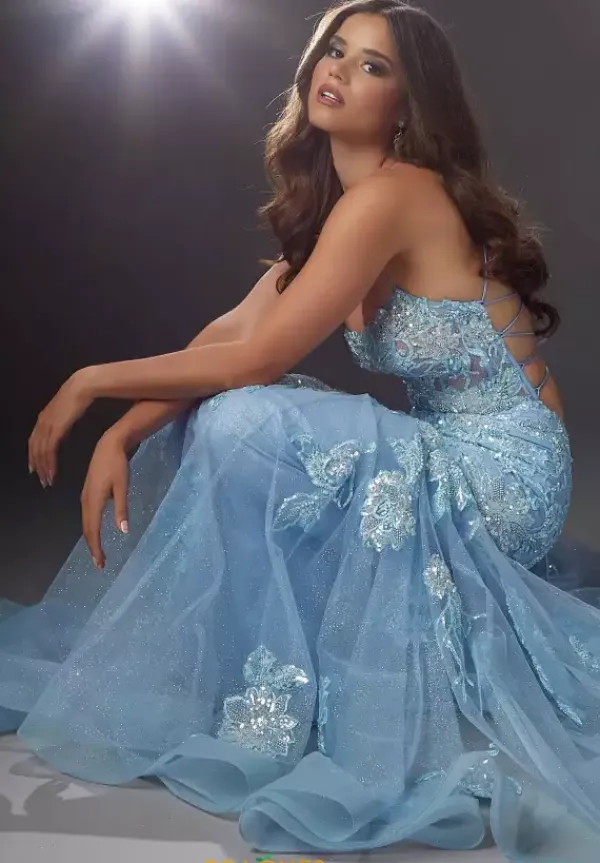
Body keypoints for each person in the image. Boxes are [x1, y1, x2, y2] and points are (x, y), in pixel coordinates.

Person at [2, 1, 600, 859]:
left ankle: (278, 683)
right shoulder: (343, 208)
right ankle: (269, 673)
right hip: (449, 444)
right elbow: (232, 332)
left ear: (407, 104)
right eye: (335, 50)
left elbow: (257, 360)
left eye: (372, 66)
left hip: (507, 473)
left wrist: (88, 382)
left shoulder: (396, 194)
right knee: (235, 412)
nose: (339, 71)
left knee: (248, 414)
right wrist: (126, 429)